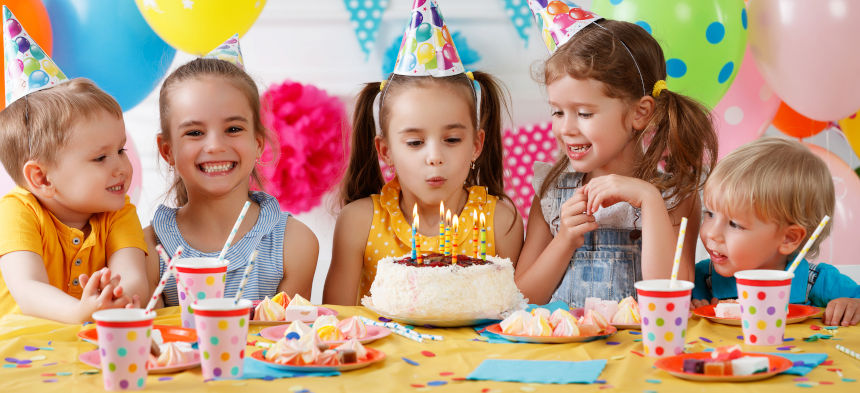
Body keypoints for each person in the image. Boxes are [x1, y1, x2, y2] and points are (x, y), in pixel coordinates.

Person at [516, 1, 718, 306]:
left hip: (640, 351)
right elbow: (521, 297)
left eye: (584, 113)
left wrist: (649, 200)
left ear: (640, 113)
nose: (566, 128)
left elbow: (669, 299)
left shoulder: (676, 197)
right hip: (569, 351)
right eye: (557, 112)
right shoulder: (551, 193)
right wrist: (565, 239)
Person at [323, 0, 523, 305]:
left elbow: (514, 315)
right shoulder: (359, 222)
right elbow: (338, 318)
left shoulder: (498, 221)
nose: (434, 156)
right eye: (415, 143)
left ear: (477, 145)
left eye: (452, 139)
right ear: (385, 150)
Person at [145, 36, 318, 307]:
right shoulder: (148, 249)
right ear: (167, 150)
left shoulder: (293, 244)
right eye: (194, 132)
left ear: (258, 143)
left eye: (233, 129)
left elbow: (287, 340)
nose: (215, 146)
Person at [0, 8, 147, 323]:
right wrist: (81, 311)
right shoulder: (17, 212)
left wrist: (117, 298)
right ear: (41, 178)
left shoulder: (118, 212)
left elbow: (134, 277)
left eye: (120, 150)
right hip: (20, 351)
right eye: (100, 157)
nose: (122, 166)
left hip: (83, 349)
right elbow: (28, 288)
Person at [692, 137, 859, 326]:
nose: (712, 233)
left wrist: (853, 306)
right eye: (710, 214)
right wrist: (691, 307)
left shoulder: (815, 281)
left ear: (788, 238)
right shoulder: (702, 279)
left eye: (735, 224)